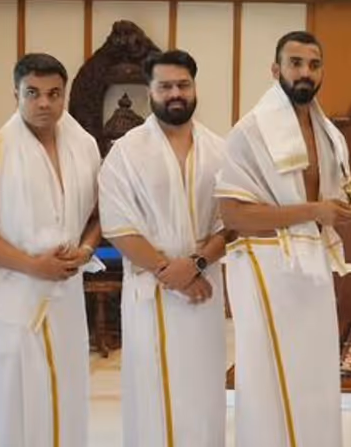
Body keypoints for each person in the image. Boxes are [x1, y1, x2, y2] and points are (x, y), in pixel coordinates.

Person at [215, 31, 351, 447]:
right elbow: (233, 215)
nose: (305, 73)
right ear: (276, 69)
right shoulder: (249, 132)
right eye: (296, 63)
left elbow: (323, 206)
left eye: (314, 65)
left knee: (314, 374)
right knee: (268, 379)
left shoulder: (327, 132)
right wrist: (314, 211)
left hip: (311, 265)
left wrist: (340, 216)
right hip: (265, 268)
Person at [0, 53, 102, 447]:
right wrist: (32, 266)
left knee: (66, 390)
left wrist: (87, 250)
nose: (44, 103)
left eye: (54, 94)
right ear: (15, 94)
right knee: (14, 396)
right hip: (13, 293)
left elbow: (102, 214)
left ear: (64, 95)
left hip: (66, 292)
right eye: (32, 93)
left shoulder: (85, 146)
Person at [99, 49, 230, 446]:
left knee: (204, 395)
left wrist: (195, 264)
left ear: (194, 87)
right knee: (152, 394)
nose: (176, 93)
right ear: (150, 91)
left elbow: (234, 222)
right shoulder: (126, 151)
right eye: (165, 86)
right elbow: (117, 226)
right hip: (150, 290)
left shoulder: (221, 150)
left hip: (203, 288)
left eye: (183, 85)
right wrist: (168, 271)